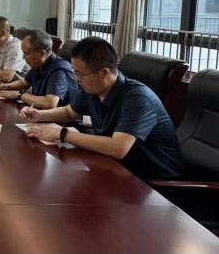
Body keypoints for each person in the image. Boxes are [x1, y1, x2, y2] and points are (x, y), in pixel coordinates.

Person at [19, 37, 184, 180]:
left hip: (152, 184)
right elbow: (69, 112)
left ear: (104, 73)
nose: (76, 79)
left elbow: (118, 147)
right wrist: (39, 115)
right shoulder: (93, 89)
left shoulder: (138, 98)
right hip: (115, 169)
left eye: (80, 74)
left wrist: (62, 134)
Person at [0, 29, 78, 108]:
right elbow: (23, 83)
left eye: (26, 53)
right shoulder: (39, 63)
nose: (23, 57)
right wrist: (6, 86)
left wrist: (19, 95)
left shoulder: (58, 70)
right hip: (41, 113)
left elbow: (50, 103)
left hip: (62, 119)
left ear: (42, 54)